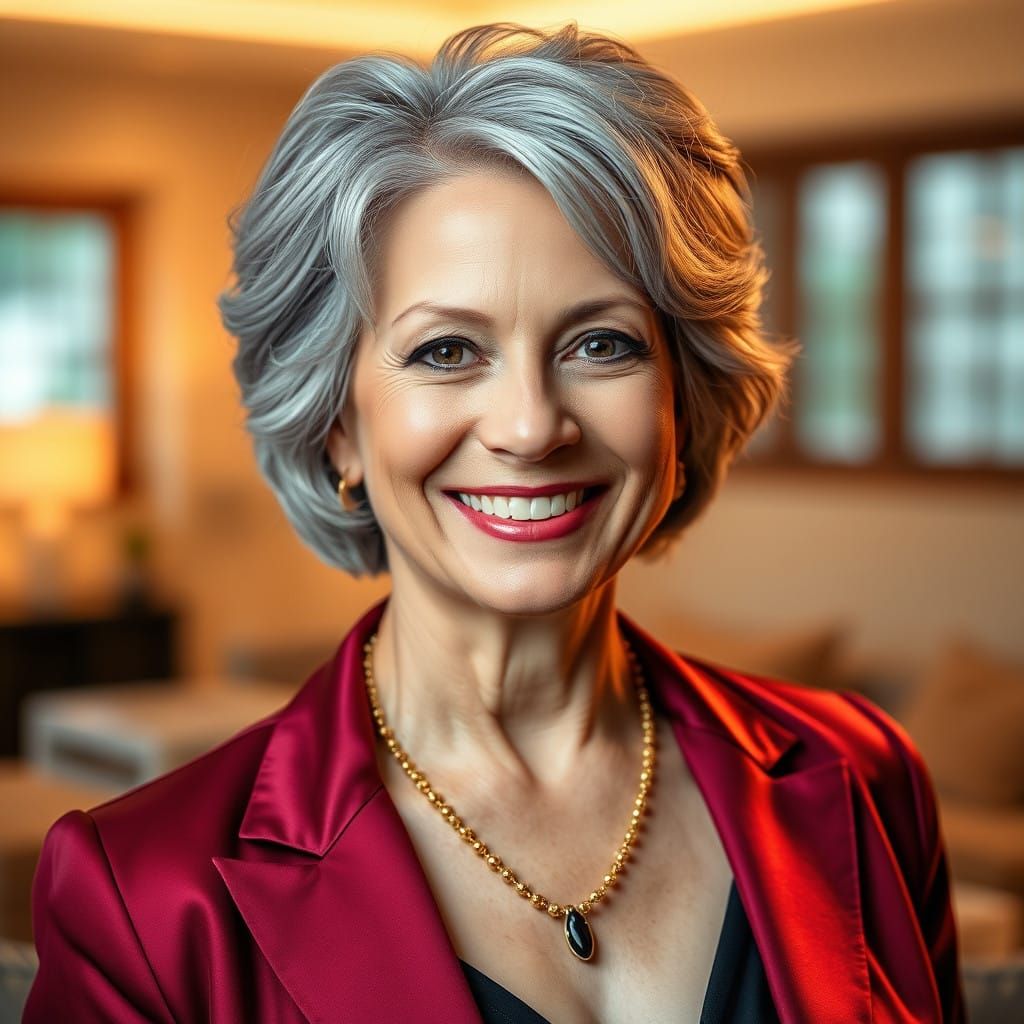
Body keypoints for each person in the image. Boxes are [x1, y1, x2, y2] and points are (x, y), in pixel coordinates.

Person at [25, 22, 964, 1024]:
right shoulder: (146, 898)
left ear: (679, 404)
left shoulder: (861, 779)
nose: (529, 426)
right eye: (444, 352)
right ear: (337, 424)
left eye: (601, 343)